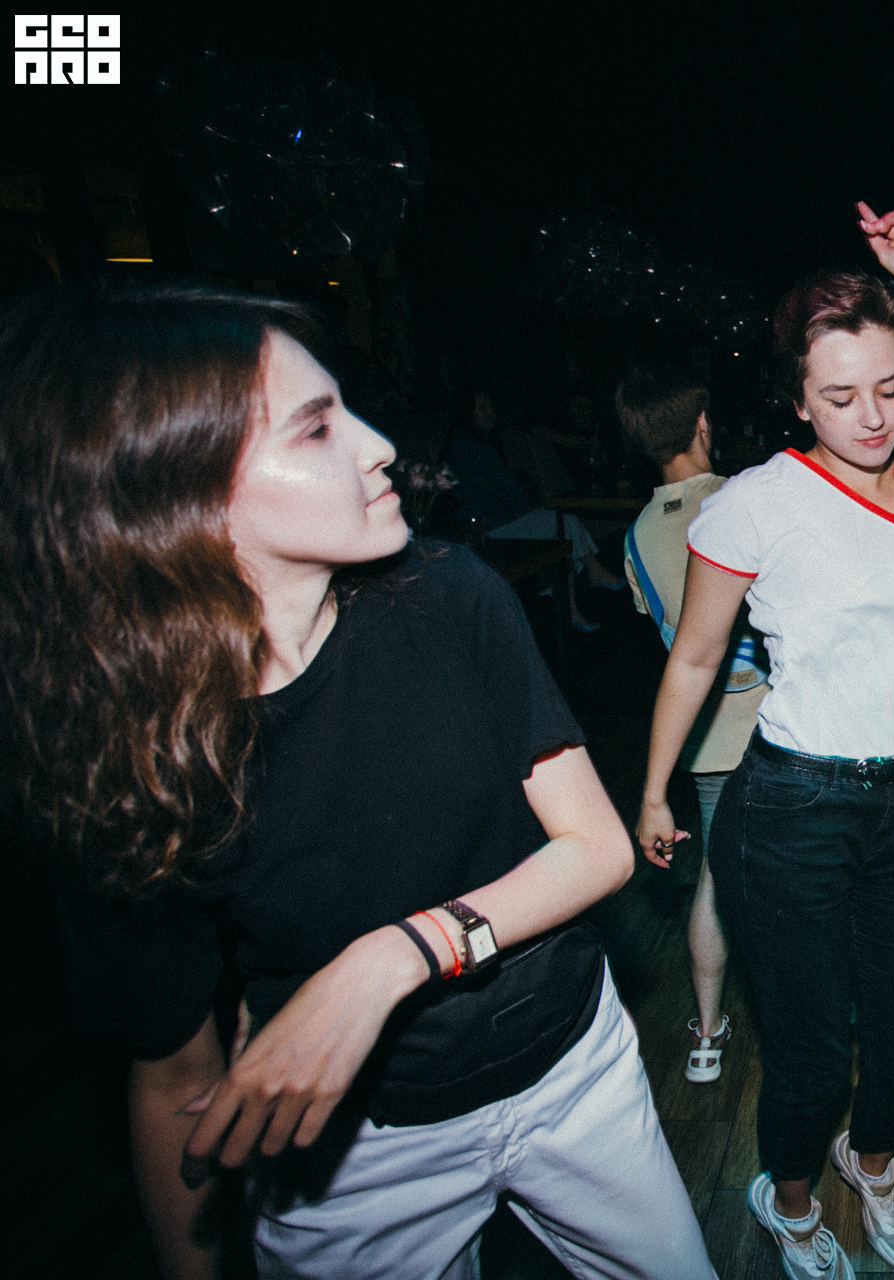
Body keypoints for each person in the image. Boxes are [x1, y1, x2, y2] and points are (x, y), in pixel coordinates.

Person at [0, 285, 715, 1280]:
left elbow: (596, 848)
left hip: (568, 1068)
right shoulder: (126, 751)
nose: (379, 446)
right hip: (349, 1149)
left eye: (348, 408)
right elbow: (174, 1080)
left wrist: (389, 959)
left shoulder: (449, 594)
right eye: (316, 427)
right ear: (182, 497)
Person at [636, 201, 894, 1279]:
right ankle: (785, 1198)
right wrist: (653, 791)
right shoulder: (755, 505)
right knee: (812, 1052)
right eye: (838, 396)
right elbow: (693, 659)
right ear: (795, 398)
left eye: (890, 387)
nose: (871, 416)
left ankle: (871, 1163)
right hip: (791, 811)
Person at [614, 365, 769, 1082]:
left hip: (705, 737)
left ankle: (706, 1036)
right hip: (778, 724)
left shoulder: (637, 536)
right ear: (703, 424)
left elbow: (671, 638)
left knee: (713, 874)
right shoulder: (747, 499)